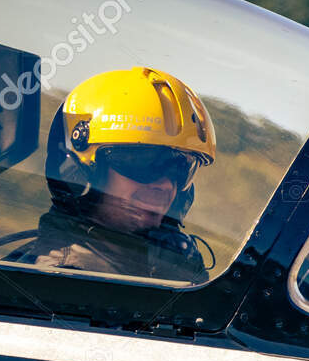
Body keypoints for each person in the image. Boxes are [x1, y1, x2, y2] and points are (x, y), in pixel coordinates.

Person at [25, 66, 216, 284]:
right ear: (78, 172)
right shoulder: (65, 284)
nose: (165, 185)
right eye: (143, 163)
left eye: (180, 169)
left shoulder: (173, 269)